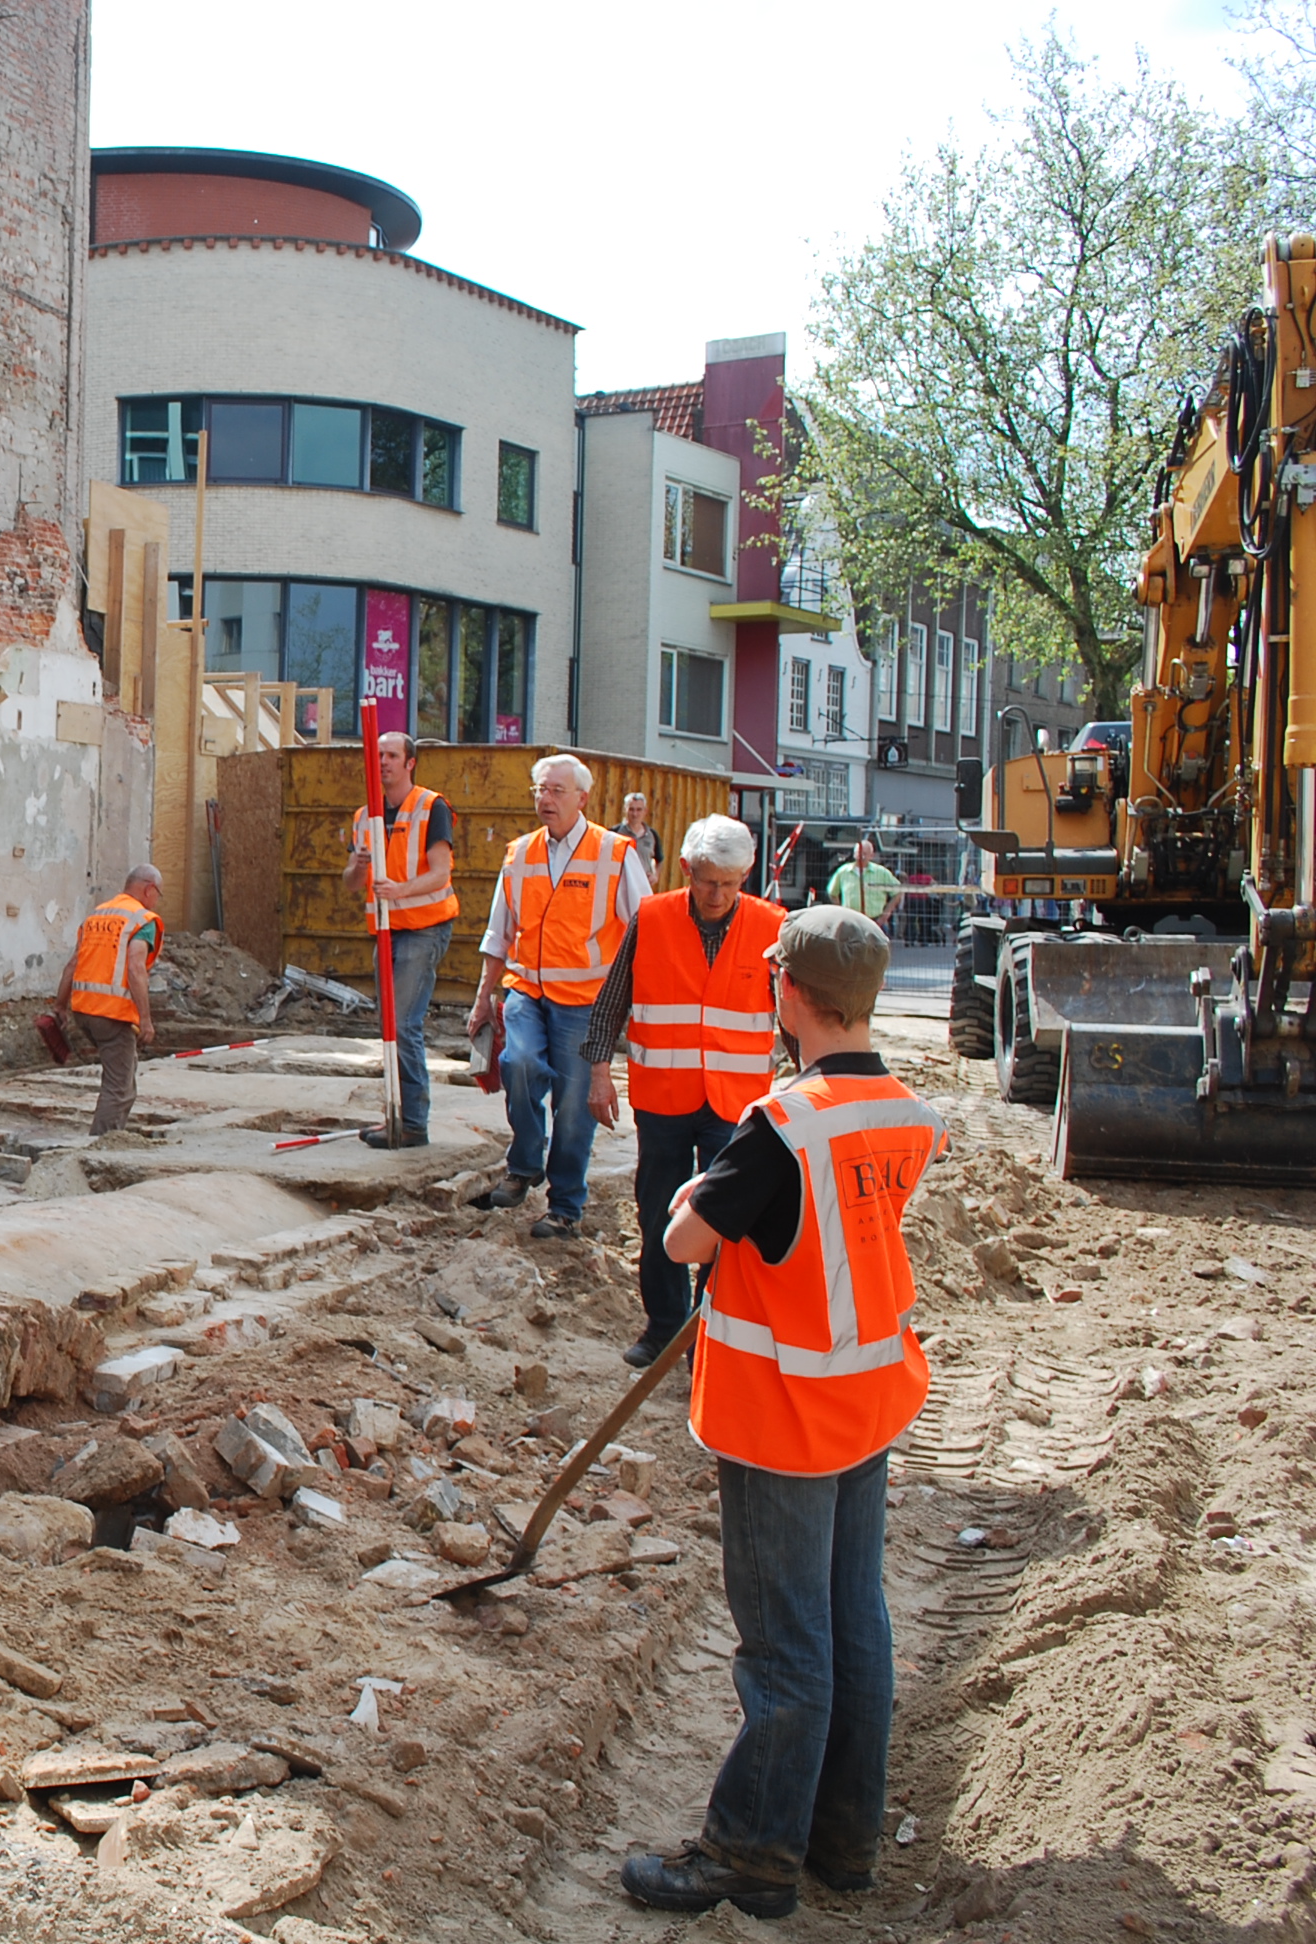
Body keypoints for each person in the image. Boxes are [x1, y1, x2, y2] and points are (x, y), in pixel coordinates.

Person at [621, 907, 945, 1920]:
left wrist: (689, 1209)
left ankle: (752, 1854)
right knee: (855, 1624)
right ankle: (842, 1842)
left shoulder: (783, 1120)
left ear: (791, 993)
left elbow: (684, 1242)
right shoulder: (900, 1108)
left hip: (784, 1416)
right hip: (866, 1397)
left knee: (785, 1645)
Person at [580, 815, 783, 1367]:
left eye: (730, 883)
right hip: (664, 1100)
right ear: (688, 869)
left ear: (745, 875)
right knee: (658, 1216)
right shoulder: (652, 917)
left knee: (723, 1222)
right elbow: (611, 1001)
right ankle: (664, 1328)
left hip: (737, 1106)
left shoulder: (773, 927)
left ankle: (708, 1333)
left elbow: (794, 1015)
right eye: (707, 880)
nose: (717, 894)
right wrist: (600, 1072)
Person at [466, 754, 650, 1239]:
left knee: (573, 1106)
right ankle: (525, 1163)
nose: (545, 800)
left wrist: (635, 1007)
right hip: (527, 989)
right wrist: (484, 998)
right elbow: (498, 933)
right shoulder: (519, 853)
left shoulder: (615, 853)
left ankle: (565, 1205)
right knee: (518, 1063)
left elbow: (644, 930)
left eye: (556, 791)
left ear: (582, 798)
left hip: (586, 1001)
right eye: (540, 791)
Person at [338, 731, 457, 1148]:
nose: (382, 762)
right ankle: (396, 1114)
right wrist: (358, 865)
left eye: (391, 755)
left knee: (403, 1024)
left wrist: (399, 891)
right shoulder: (363, 816)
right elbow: (353, 883)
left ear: (410, 763)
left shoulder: (431, 806)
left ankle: (413, 1123)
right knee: (388, 1025)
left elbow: (441, 873)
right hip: (386, 930)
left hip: (423, 927)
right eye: (377, 755)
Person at [53, 865, 164, 1136]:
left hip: (84, 1012)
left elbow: (72, 964)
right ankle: (99, 1149)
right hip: (113, 1015)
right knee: (118, 1090)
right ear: (149, 888)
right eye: (158, 894)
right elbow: (136, 968)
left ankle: (112, 1137)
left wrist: (59, 1006)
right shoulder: (141, 920)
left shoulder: (97, 915)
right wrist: (146, 1020)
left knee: (124, 1074)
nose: (157, 900)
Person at [823, 839, 902, 926]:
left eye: (864, 853)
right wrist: (841, 911)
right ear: (854, 854)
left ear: (871, 856)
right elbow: (832, 892)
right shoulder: (843, 871)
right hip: (850, 922)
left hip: (876, 922)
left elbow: (897, 892)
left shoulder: (881, 872)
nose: (861, 856)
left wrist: (885, 915)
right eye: (858, 853)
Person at [619, 791, 662, 877]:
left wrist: (655, 875)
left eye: (639, 810)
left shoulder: (652, 835)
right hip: (619, 885)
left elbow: (659, 859)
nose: (635, 814)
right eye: (631, 809)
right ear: (625, 810)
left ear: (645, 811)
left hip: (642, 885)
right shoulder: (615, 832)